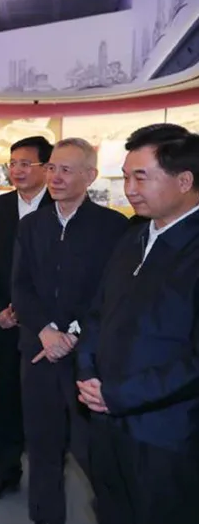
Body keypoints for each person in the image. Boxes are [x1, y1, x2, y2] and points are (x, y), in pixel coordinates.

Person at [76, 124, 199, 524]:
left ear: (184, 181)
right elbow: (98, 312)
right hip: (105, 420)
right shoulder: (133, 238)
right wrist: (88, 372)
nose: (129, 189)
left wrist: (120, 395)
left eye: (141, 177)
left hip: (167, 436)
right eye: (126, 177)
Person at [12, 138, 128, 524]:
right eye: (52, 168)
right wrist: (46, 331)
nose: (55, 177)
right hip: (38, 352)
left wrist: (73, 335)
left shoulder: (114, 227)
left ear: (89, 176)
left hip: (87, 359)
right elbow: (21, 286)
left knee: (92, 452)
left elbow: (110, 291)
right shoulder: (31, 225)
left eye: (66, 170)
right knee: (42, 448)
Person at [0, 136, 54, 502]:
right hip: (4, 322)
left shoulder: (61, 205)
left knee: (45, 401)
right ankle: (6, 469)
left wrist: (28, 309)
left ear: (46, 167)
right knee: (5, 396)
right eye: (13, 163)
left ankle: (47, 478)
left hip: (47, 326)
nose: (17, 170)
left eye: (25, 163)